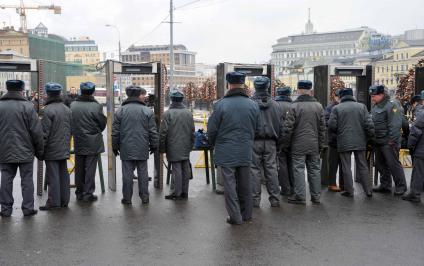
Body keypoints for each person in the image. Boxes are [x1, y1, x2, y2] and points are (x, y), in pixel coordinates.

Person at [208, 71, 260, 225]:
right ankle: (247, 214)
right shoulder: (253, 105)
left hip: (225, 150)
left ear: (228, 84)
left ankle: (235, 217)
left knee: (229, 185)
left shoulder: (220, 104)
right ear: (243, 84)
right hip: (245, 149)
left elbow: (212, 129)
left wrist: (212, 143)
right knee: (245, 183)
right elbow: (257, 128)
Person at [0, 80, 44, 217]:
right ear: (22, 90)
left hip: (4, 150)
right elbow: (36, 131)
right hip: (25, 151)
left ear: (7, 89)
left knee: (6, 178)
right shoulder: (28, 106)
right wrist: (39, 151)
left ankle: (5, 209)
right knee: (27, 179)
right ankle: (27, 208)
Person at [282, 80, 326, 205]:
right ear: (310, 90)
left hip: (298, 144)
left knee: (299, 169)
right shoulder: (318, 106)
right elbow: (322, 128)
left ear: (299, 90)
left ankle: (300, 196)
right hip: (314, 144)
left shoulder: (294, 106)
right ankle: (316, 196)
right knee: (314, 169)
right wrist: (321, 144)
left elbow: (288, 128)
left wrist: (285, 144)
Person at [112, 86, 158, 205]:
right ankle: (145, 197)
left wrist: (115, 146)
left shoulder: (120, 111)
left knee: (127, 174)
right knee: (143, 173)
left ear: (127, 95)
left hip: (125, 147)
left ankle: (127, 198)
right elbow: (153, 131)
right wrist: (154, 145)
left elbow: (115, 132)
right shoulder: (147, 111)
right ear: (139, 95)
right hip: (142, 146)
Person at [328, 88, 375, 198]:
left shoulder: (336, 108)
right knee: (363, 166)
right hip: (360, 141)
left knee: (346, 166)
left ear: (341, 97)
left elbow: (332, 125)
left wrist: (339, 132)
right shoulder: (362, 107)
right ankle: (368, 190)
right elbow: (369, 125)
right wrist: (369, 138)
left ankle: (349, 191)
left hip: (344, 141)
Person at [70, 82, 107, 202]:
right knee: (90, 169)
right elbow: (102, 124)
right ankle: (88, 193)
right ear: (93, 91)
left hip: (78, 140)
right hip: (93, 141)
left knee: (79, 168)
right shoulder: (96, 106)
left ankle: (79, 192)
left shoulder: (73, 105)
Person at [250, 76, 282, 207]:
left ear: (255, 87)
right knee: (272, 170)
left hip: (254, 141)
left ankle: (254, 200)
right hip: (271, 142)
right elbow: (280, 126)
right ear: (267, 87)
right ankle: (275, 199)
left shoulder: (250, 104)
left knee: (254, 170)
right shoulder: (275, 104)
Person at [369, 85, 407, 195]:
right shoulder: (376, 106)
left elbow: (395, 124)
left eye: (374, 96)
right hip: (378, 141)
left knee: (393, 164)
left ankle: (401, 186)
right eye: (371, 96)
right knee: (380, 164)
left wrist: (392, 140)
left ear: (381, 95)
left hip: (388, 141)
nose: (372, 98)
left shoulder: (391, 105)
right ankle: (385, 185)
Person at [39, 83, 72, 210]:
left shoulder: (46, 110)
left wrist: (40, 150)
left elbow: (43, 134)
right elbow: (71, 130)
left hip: (51, 149)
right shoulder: (67, 109)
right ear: (60, 93)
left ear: (47, 94)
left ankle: (54, 203)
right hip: (64, 147)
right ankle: (64, 201)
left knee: (53, 176)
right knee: (64, 174)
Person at [160, 90, 195, 200]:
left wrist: (161, 147)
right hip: (186, 145)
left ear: (171, 100)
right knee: (185, 168)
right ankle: (185, 192)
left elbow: (163, 133)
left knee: (176, 169)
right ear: (182, 100)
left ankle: (176, 193)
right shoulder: (189, 113)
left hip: (173, 145)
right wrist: (191, 144)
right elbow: (192, 130)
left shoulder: (168, 114)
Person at [275, 86, 294, 196]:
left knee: (281, 163)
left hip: (279, 138)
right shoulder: (293, 105)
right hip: (292, 139)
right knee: (292, 163)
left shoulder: (275, 105)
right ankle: (293, 187)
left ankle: (285, 189)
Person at [403, 106, 424, 203]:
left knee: (418, 172)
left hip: (421, 149)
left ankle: (415, 194)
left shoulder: (422, 114)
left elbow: (415, 132)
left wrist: (410, 145)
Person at [324, 89, 344, 192]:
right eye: (337, 96)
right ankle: (332, 183)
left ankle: (343, 184)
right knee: (333, 163)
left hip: (340, 139)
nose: (338, 99)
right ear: (334, 96)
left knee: (343, 164)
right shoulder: (330, 107)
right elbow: (327, 121)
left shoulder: (337, 107)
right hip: (334, 140)